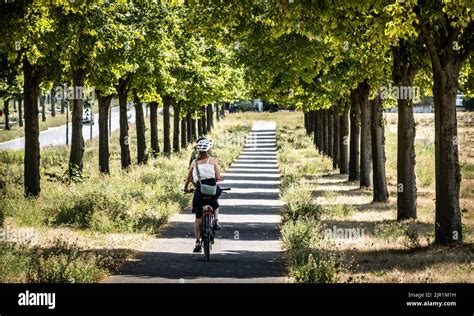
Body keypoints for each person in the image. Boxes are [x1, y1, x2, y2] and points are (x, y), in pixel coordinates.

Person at [183, 139, 222, 253]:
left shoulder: (194, 163)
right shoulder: (213, 160)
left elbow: (188, 178)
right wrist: (217, 178)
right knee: (215, 203)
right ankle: (216, 220)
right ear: (208, 150)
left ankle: (197, 242)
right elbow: (218, 177)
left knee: (198, 217)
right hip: (212, 189)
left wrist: (185, 188)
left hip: (200, 190)